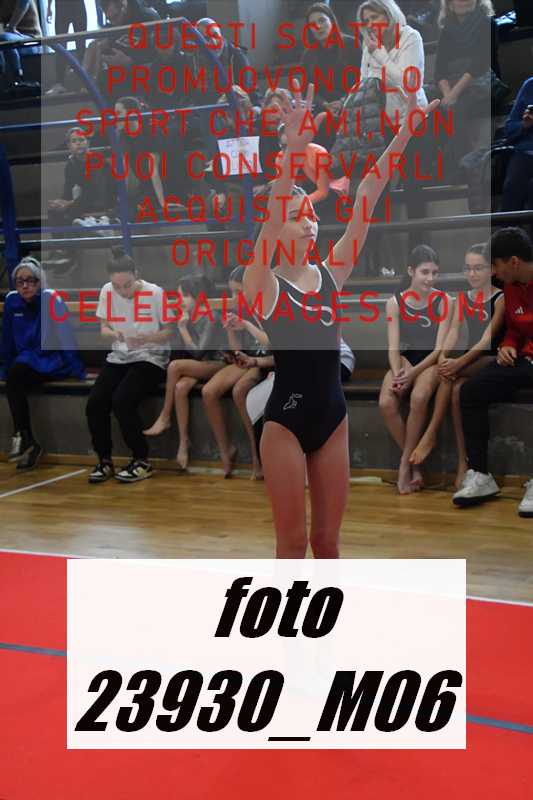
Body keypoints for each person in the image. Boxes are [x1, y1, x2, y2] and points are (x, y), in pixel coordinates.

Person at [243, 81, 439, 557]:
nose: (310, 221)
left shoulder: (333, 273)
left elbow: (368, 192)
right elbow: (272, 217)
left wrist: (404, 135)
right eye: (298, 216)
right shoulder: (263, 283)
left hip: (333, 418)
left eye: (311, 214)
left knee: (327, 542)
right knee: (292, 545)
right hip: (285, 424)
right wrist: (292, 152)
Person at [453, 227, 533, 517]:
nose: (494, 273)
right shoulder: (511, 286)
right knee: (470, 391)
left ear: (514, 262)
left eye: (496, 266)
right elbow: (514, 328)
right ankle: (480, 474)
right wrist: (508, 345)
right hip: (523, 360)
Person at [410, 243, 505, 487]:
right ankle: (465, 461)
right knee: (455, 391)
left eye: (478, 268)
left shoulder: (500, 298)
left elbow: (486, 340)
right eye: (468, 268)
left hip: (492, 358)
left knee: (449, 374)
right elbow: (453, 331)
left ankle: (430, 434)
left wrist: (457, 363)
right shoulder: (463, 298)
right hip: (468, 361)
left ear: (492, 269)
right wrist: (443, 356)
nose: (472, 274)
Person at [85, 247, 174, 484]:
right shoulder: (106, 291)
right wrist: (116, 334)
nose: (123, 291)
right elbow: (103, 329)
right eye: (117, 286)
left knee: (122, 400)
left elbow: (168, 331)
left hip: (150, 357)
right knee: (95, 403)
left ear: (137, 275)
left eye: (127, 285)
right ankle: (104, 460)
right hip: (120, 355)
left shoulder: (155, 293)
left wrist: (146, 338)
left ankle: (141, 460)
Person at [379, 245, 454, 494]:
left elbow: (439, 349)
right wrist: (398, 372)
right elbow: (393, 348)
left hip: (430, 361)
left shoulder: (444, 301)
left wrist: (413, 374)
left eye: (434, 273)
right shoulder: (394, 303)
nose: (430, 278)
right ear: (411, 271)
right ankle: (415, 463)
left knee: (419, 397)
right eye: (424, 272)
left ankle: (405, 464)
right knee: (386, 402)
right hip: (406, 359)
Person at [1, 256, 86, 471]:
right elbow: (7, 339)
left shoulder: (51, 299)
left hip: (50, 360)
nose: (25, 286)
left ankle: (24, 438)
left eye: (31, 280)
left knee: (15, 374)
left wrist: (77, 370)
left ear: (40, 282)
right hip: (24, 363)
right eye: (20, 281)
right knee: (14, 376)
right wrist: (4, 368)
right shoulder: (12, 300)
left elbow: (65, 336)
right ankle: (26, 438)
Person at [142, 276, 229, 469]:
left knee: (175, 367)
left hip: (219, 363)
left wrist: (182, 329)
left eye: (185, 296)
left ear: (198, 296)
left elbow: (199, 352)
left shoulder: (211, 316)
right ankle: (184, 442)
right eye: (179, 296)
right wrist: (184, 327)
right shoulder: (189, 316)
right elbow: (187, 353)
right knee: (180, 387)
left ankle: (165, 416)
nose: (180, 300)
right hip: (201, 365)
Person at [83, 0, 159, 83]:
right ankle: (87, 83)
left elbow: (158, 55)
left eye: (115, 17)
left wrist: (130, 62)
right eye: (109, 19)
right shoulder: (116, 22)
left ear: (124, 6)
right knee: (94, 45)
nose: (113, 22)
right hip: (122, 64)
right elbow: (107, 35)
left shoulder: (148, 19)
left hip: (144, 68)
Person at [501, 77, 533, 213]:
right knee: (513, 185)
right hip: (527, 151)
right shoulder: (530, 85)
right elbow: (509, 128)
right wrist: (525, 125)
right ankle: (508, 226)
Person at [46, 0, 87, 94]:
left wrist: (49, 7)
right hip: (62, 6)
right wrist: (49, 7)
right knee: (61, 46)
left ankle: (85, 83)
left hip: (77, 5)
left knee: (81, 45)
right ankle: (59, 83)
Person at [0, 0, 41, 89]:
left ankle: (18, 79)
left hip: (31, 39)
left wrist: (12, 26)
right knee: (4, 40)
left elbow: (24, 3)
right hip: (14, 39)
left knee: (4, 39)